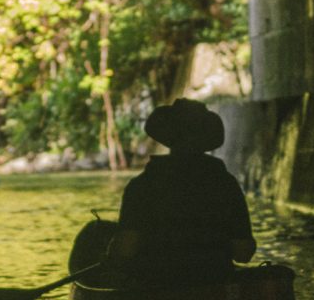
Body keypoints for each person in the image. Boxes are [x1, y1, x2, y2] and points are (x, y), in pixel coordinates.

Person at [109, 99, 255, 282]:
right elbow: (243, 253)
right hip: (214, 282)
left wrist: (110, 258)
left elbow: (125, 248)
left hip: (155, 286)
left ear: (169, 138)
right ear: (206, 139)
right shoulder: (226, 184)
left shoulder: (142, 186)